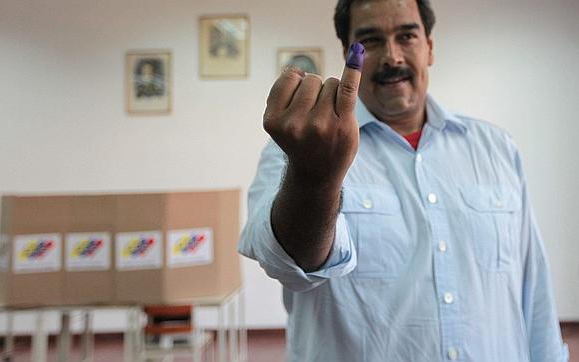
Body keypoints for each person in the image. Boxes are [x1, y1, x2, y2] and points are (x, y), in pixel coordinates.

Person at [238, 0, 570, 361]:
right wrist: (315, 179)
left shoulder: (496, 149)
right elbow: (289, 263)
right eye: (371, 41)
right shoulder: (299, 155)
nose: (392, 57)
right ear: (348, 53)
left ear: (429, 47)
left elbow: (532, 287)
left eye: (407, 36)